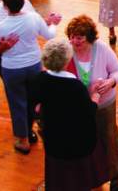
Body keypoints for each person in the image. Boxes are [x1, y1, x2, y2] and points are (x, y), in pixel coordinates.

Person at [0, 0, 59, 154]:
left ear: (5, 5)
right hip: (33, 64)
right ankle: (31, 129)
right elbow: (50, 35)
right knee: (32, 98)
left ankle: (23, 139)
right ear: (23, 1)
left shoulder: (1, 25)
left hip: (12, 68)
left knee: (17, 102)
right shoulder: (33, 18)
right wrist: (53, 24)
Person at [65, 16, 118, 189]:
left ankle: (114, 174)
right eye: (72, 36)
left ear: (89, 36)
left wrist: (110, 82)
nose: (75, 41)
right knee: (86, 143)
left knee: (108, 138)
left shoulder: (101, 48)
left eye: (79, 37)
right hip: (80, 108)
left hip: (104, 105)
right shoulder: (67, 52)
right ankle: (92, 175)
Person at [31, 38, 109, 191]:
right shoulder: (75, 86)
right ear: (67, 59)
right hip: (77, 143)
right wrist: (95, 95)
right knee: (79, 180)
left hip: (54, 140)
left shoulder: (40, 79)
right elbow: (89, 112)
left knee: (59, 179)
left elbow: (35, 105)